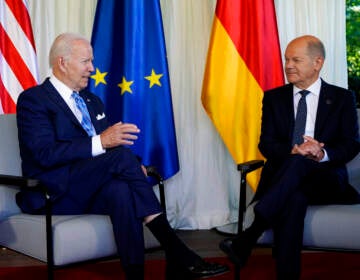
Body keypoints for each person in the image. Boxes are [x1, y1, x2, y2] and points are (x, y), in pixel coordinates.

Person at [15, 33, 229, 280]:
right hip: (52, 191)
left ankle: (135, 275)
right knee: (120, 162)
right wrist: (101, 142)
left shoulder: (92, 101)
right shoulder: (34, 100)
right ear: (62, 62)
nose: (92, 69)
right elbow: (44, 154)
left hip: (91, 186)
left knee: (121, 190)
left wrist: (134, 165)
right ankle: (178, 251)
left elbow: (112, 148)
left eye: (92, 62)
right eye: (86, 62)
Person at [220, 35, 360, 279]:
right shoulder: (274, 98)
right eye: (286, 59)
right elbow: (267, 144)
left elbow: (351, 144)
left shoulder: (342, 98)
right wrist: (293, 151)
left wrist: (322, 152)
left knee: (300, 166)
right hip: (287, 180)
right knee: (294, 194)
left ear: (318, 63)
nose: (288, 65)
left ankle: (249, 235)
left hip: (325, 179)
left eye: (296, 59)